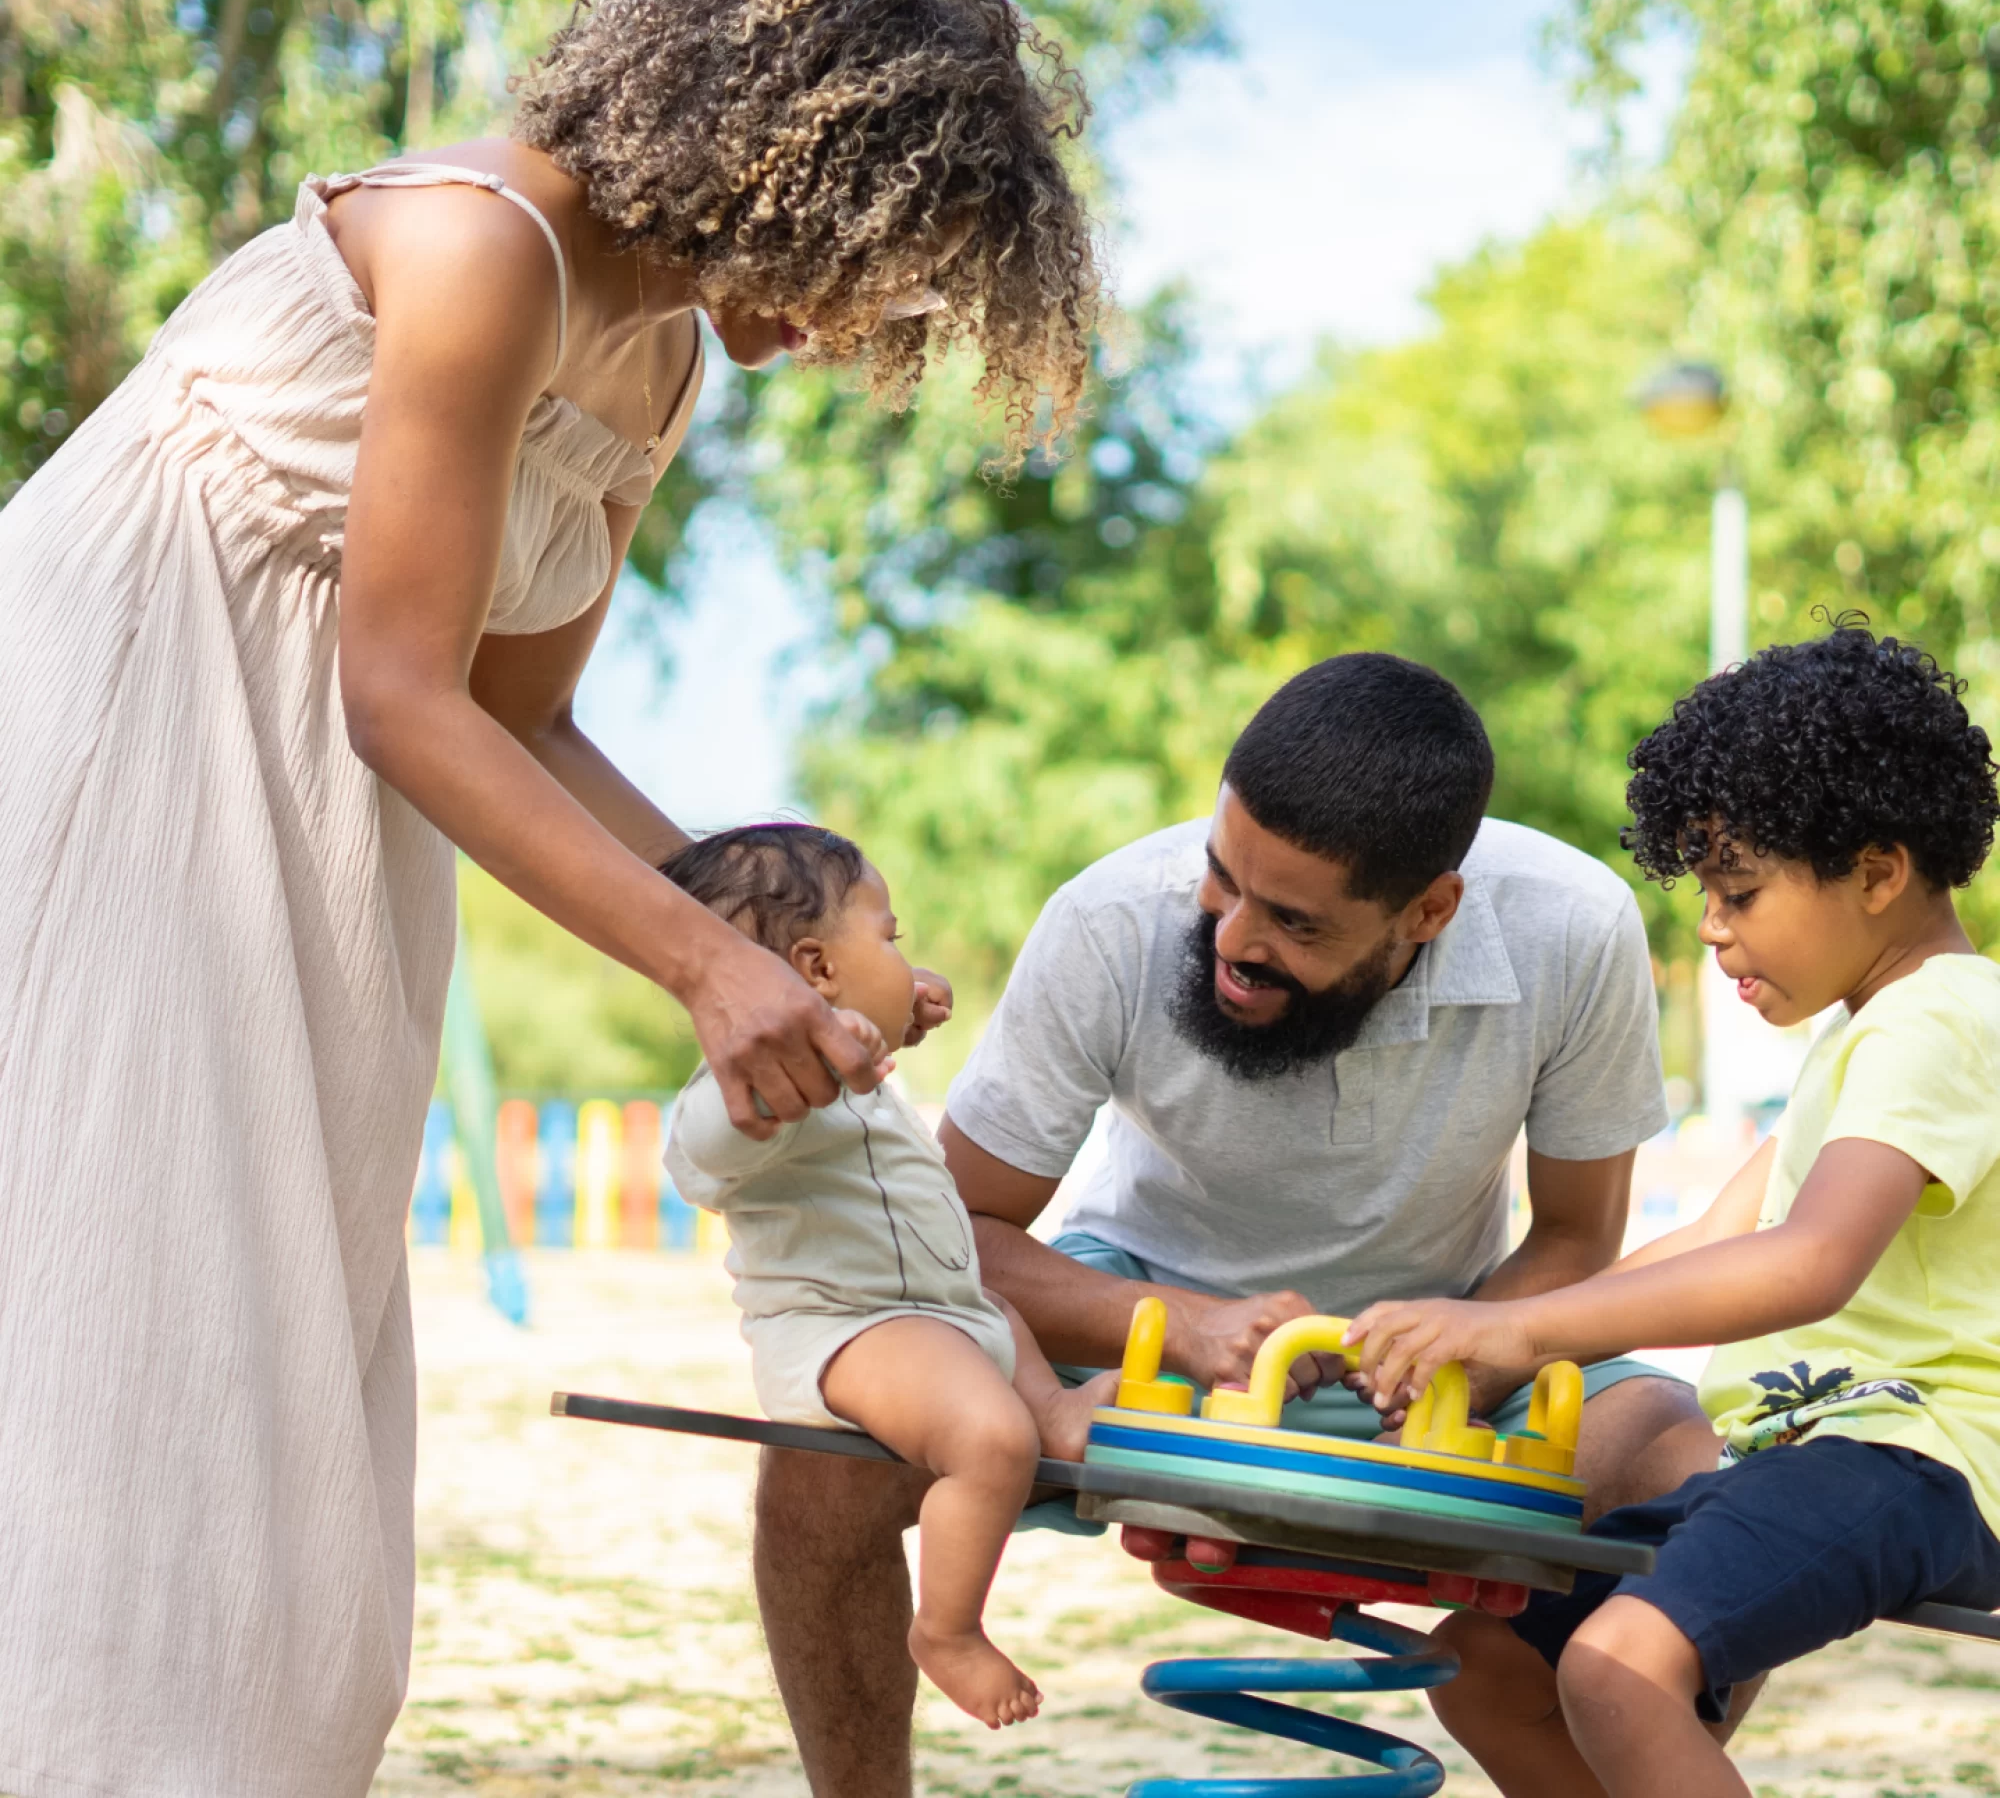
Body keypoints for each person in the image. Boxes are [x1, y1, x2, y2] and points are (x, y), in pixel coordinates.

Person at [0, 0, 1100, 1798]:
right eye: (863, 275)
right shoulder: (477, 243)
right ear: (785, 168)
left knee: (282, 1354)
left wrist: (789, 943)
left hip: (326, 826)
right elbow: (404, 697)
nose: (849, 334)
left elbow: (527, 723)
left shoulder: (660, 364)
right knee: (125, 1310)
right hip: (123, 768)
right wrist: (698, 966)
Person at [754, 652, 1724, 1798]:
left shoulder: (1573, 927)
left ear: (1428, 909)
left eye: (1293, 922)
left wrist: (1448, 1347)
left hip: (1446, 1336)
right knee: (820, 1461)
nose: (1230, 935)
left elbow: (1570, 1237)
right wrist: (1176, 1324)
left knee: (1674, 1468)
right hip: (1134, 1323)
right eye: (1224, 877)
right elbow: (956, 1232)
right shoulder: (1112, 917)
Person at [1344, 623, 2000, 1798]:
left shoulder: (1937, 1017)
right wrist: (1487, 1349)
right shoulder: (1864, 1032)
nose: (1707, 924)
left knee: (1616, 1666)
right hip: (1809, 1454)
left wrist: (1519, 1330)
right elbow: (1712, 1239)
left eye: (1737, 888)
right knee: (1485, 1663)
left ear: (1875, 869)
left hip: (1916, 1450)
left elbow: (1808, 1261)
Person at [661, 826, 1115, 1730]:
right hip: (847, 1331)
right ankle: (948, 1630)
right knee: (989, 1442)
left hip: (940, 1311)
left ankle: (1054, 1410)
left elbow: (877, 1028)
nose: (906, 961)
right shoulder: (749, 1088)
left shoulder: (857, 1068)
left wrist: (902, 1005)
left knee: (999, 1314)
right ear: (816, 967)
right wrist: (758, 1089)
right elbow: (701, 1151)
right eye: (891, 939)